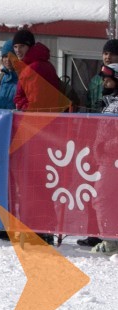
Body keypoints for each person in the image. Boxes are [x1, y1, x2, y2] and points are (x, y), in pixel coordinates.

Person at [11, 28, 68, 245]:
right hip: (43, 134)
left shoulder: (34, 68)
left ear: (30, 46)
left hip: (38, 134)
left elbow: (38, 106)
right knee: (40, 183)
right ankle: (39, 229)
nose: (18, 51)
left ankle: (39, 230)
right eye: (15, 47)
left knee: (35, 183)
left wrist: (20, 105)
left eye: (21, 46)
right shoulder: (35, 66)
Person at [78, 39, 118, 248]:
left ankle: (110, 240)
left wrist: (107, 147)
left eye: (109, 80)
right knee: (102, 198)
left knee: (102, 198)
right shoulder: (107, 100)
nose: (104, 83)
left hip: (112, 159)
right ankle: (108, 238)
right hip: (105, 159)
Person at [0, 40, 19, 241]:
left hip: (19, 135)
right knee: (2, 181)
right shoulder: (0, 80)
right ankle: (3, 224)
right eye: (4, 57)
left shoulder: (23, 79)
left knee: (18, 183)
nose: (7, 60)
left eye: (10, 56)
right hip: (2, 136)